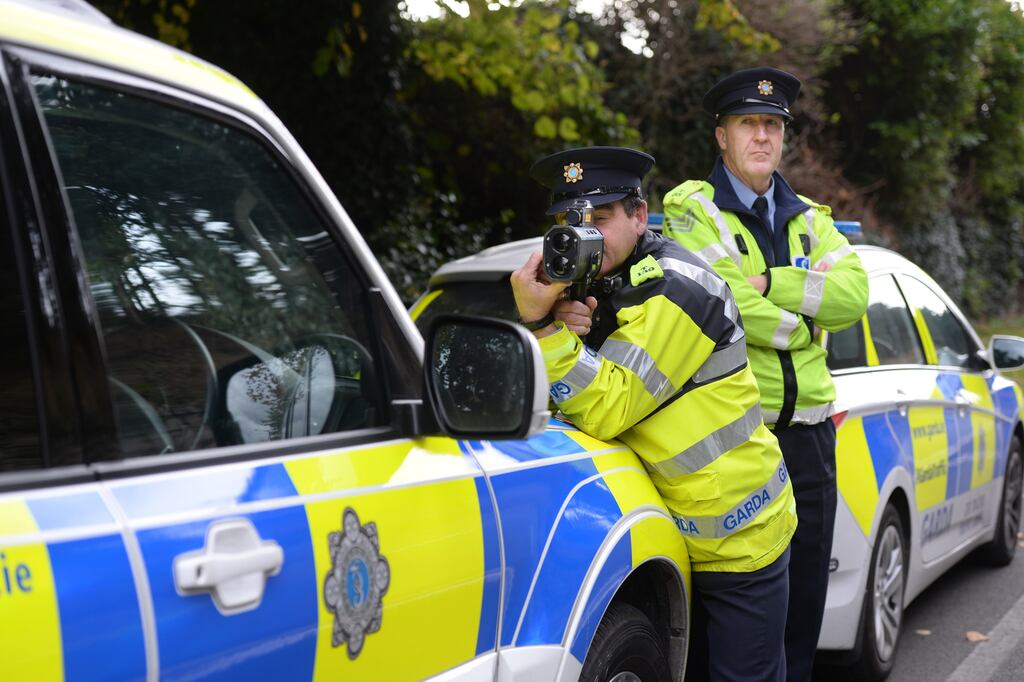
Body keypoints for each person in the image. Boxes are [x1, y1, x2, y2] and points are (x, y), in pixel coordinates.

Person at [512, 146, 797, 681]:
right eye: (568, 222)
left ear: (640, 216)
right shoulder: (600, 288)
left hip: (738, 534)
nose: (583, 234)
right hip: (667, 536)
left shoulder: (677, 287)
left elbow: (608, 406)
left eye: (599, 219)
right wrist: (564, 325)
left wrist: (544, 330)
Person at [662, 68, 869, 682]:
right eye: (748, 124)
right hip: (739, 443)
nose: (762, 136)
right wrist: (805, 322)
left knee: (803, 611)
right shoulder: (692, 209)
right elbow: (721, 302)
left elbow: (854, 295)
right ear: (721, 136)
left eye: (773, 125)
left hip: (810, 440)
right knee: (731, 623)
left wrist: (774, 283)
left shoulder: (812, 218)